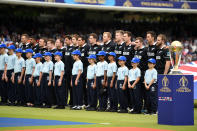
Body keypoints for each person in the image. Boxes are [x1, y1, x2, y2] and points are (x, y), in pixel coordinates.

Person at [134, 37, 148, 113]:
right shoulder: (136, 51)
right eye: (135, 42)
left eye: (137, 42)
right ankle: (138, 107)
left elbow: (146, 62)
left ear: (141, 43)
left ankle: (145, 107)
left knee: (144, 91)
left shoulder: (145, 50)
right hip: (137, 73)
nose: (135, 43)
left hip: (143, 73)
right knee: (138, 92)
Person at [78, 35, 90, 106]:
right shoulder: (79, 48)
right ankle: (83, 102)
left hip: (85, 70)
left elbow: (88, 60)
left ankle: (87, 102)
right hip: (80, 70)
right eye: (78, 40)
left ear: (83, 41)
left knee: (86, 88)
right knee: (81, 87)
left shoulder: (87, 47)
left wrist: (86, 70)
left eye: (79, 40)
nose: (78, 41)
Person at [63, 35, 74, 106]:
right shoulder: (65, 49)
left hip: (71, 71)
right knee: (66, 88)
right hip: (66, 71)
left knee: (72, 88)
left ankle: (72, 102)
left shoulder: (73, 49)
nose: (65, 41)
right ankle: (65, 101)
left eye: (66, 40)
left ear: (70, 40)